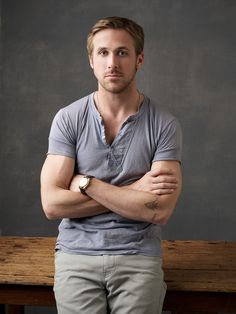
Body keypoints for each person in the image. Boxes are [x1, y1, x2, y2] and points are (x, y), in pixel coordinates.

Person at [40, 16, 182, 314]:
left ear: (139, 59)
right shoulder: (68, 119)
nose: (112, 63)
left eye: (122, 52)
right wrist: (133, 190)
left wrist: (85, 184)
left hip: (138, 255)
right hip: (76, 255)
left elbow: (160, 210)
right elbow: (52, 205)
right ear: (91, 60)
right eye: (103, 53)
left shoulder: (164, 124)